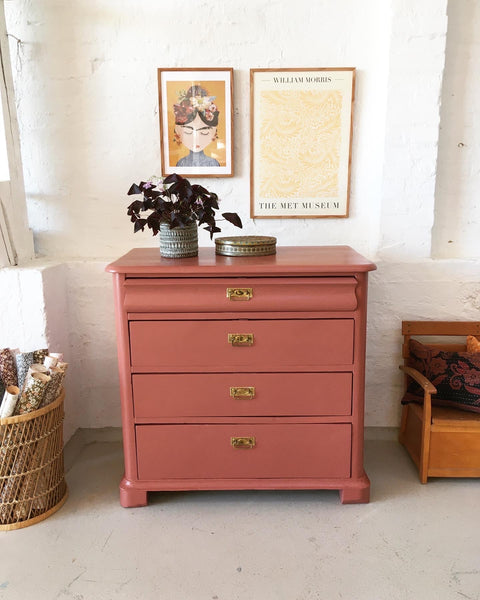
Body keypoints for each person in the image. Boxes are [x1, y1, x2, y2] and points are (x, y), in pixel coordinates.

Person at [172, 85, 220, 167]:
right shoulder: (181, 163)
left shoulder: (213, 164)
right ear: (178, 130)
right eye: (188, 132)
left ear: (213, 132)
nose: (196, 138)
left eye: (204, 132)